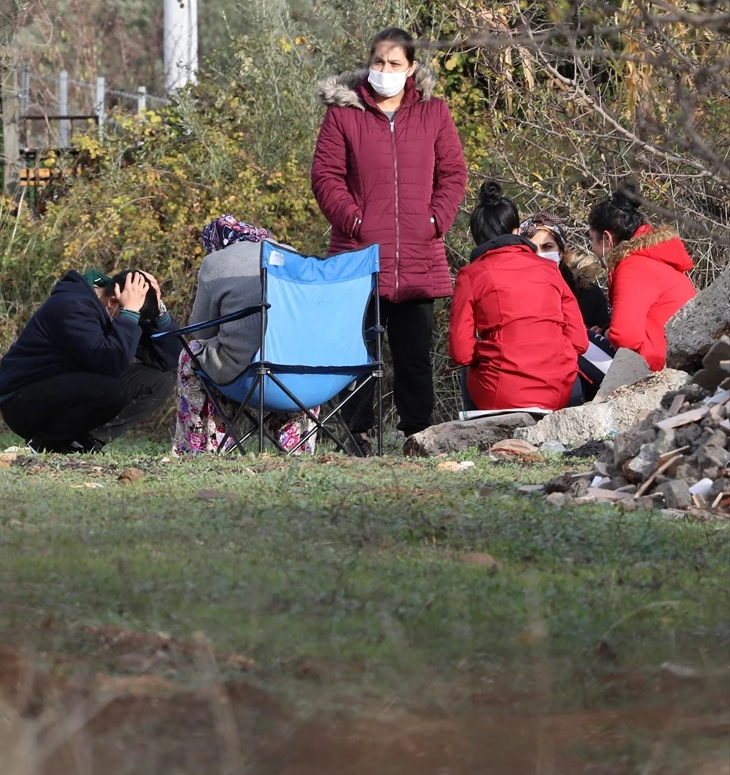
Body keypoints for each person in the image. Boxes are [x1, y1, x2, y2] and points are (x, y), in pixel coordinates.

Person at [312, 27, 468, 440]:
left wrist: (435, 221)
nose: (385, 70)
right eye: (379, 62)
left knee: (414, 356)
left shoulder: (435, 112)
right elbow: (325, 177)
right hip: (358, 256)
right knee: (356, 353)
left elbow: (453, 173)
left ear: (411, 68)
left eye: (394, 63)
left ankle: (418, 435)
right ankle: (357, 434)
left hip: (419, 256)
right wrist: (354, 221)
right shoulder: (343, 113)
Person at [173, 216, 318, 455]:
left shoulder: (215, 262)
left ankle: (204, 448)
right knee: (298, 351)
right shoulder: (293, 255)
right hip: (306, 379)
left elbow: (201, 331)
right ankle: (297, 447)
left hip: (246, 377)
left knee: (192, 355)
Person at [0, 268, 182, 453]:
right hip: (20, 401)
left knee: (159, 379)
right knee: (111, 391)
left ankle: (80, 443)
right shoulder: (71, 306)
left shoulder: (117, 306)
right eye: (131, 314)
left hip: (69, 386)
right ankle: (42, 444)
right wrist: (130, 314)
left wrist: (160, 312)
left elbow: (169, 359)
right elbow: (111, 364)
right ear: (114, 301)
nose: (132, 320)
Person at [449, 181, 588, 411]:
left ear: (476, 236)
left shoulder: (470, 275)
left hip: (500, 394)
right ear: (516, 230)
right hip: (557, 390)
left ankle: (482, 436)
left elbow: (461, 353)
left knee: (467, 370)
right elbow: (580, 342)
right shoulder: (549, 269)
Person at [588, 183, 696, 371]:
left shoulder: (632, 265)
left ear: (606, 238)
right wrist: (606, 329)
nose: (592, 248)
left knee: (580, 342)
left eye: (591, 239)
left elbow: (626, 337)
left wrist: (605, 334)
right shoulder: (651, 257)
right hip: (672, 355)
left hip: (655, 362)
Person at [518, 211, 610, 330]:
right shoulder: (515, 293)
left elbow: (606, 332)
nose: (539, 254)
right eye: (532, 249)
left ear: (560, 252)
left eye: (547, 247)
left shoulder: (588, 293)